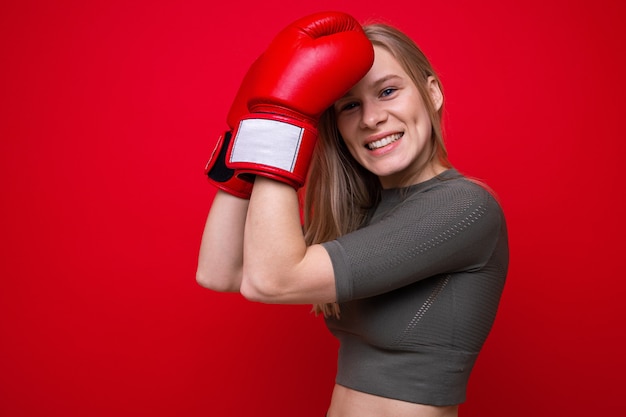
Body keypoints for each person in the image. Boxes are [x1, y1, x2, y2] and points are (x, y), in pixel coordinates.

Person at [197, 11, 509, 417]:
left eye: (387, 92)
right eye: (349, 105)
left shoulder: (463, 207)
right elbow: (219, 271)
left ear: (432, 92)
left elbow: (270, 281)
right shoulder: (364, 212)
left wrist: (282, 121)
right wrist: (246, 130)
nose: (371, 118)